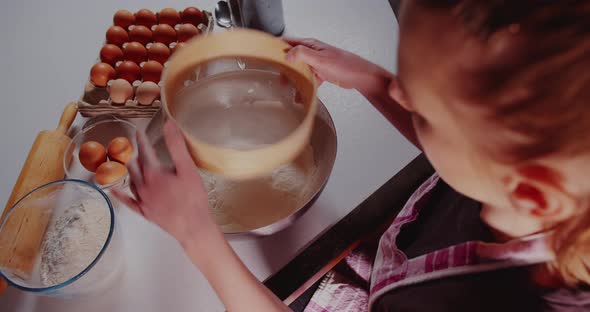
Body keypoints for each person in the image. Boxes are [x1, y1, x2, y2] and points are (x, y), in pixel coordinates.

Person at [113, 1, 590, 311]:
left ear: (533, 194)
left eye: (420, 109)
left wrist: (198, 236)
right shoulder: (544, 184)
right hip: (396, 267)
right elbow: (473, 155)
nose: (397, 93)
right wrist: (370, 79)